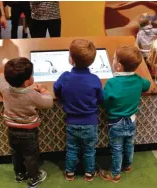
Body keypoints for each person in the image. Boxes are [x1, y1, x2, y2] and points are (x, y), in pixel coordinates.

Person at [0, 57, 53, 187]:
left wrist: (10, 71)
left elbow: (0, 77)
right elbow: (48, 102)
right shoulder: (31, 94)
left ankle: (19, 174)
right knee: (30, 156)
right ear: (27, 82)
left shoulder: (5, 89)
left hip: (11, 131)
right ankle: (34, 177)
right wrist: (43, 90)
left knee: (16, 154)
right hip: (28, 133)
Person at [53, 39, 103, 181]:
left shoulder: (65, 77)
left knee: (72, 149)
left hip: (71, 122)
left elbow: (56, 89)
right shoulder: (95, 79)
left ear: (71, 59)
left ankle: (69, 173)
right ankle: (89, 173)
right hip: (91, 123)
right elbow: (101, 99)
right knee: (89, 150)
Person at [100, 46, 151, 183]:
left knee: (116, 148)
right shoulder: (138, 79)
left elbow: (104, 100)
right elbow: (147, 85)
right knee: (129, 144)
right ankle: (127, 166)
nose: (112, 60)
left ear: (119, 66)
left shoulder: (112, 82)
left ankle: (115, 174)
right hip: (132, 119)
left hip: (116, 121)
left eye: (114, 58)